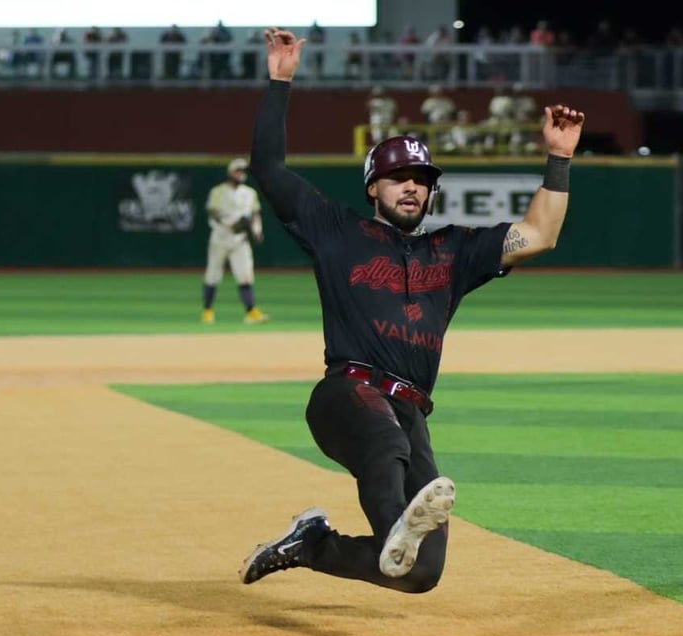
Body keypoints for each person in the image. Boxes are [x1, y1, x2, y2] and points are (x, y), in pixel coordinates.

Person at [238, 27, 584, 593]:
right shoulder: (336, 230)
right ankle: (397, 523)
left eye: (422, 181)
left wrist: (559, 158)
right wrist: (280, 80)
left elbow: (540, 234)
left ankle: (314, 544)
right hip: (346, 396)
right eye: (398, 177)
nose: (411, 188)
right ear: (373, 187)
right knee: (387, 445)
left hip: (410, 410)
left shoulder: (453, 251)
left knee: (420, 572)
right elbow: (270, 171)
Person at [201, 158, 269, 324]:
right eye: (237, 170)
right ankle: (207, 311)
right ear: (230, 172)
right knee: (213, 275)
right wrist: (230, 224)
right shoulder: (218, 191)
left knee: (245, 275)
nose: (240, 173)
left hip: (240, 240)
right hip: (220, 238)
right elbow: (213, 213)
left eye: (242, 171)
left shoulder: (250, 193)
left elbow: (255, 214)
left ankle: (250, 312)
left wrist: (257, 231)